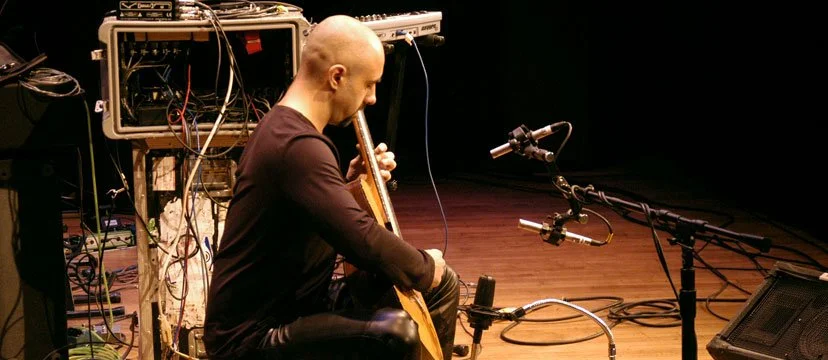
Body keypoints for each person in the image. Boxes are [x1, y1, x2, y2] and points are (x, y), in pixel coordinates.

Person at [203, 15, 460, 360]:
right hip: (252, 337)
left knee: (420, 288)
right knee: (397, 329)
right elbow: (361, 239)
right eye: (369, 84)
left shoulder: (286, 130)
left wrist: (347, 184)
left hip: (299, 303)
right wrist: (426, 267)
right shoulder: (297, 146)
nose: (372, 98)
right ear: (337, 76)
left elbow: (311, 216)